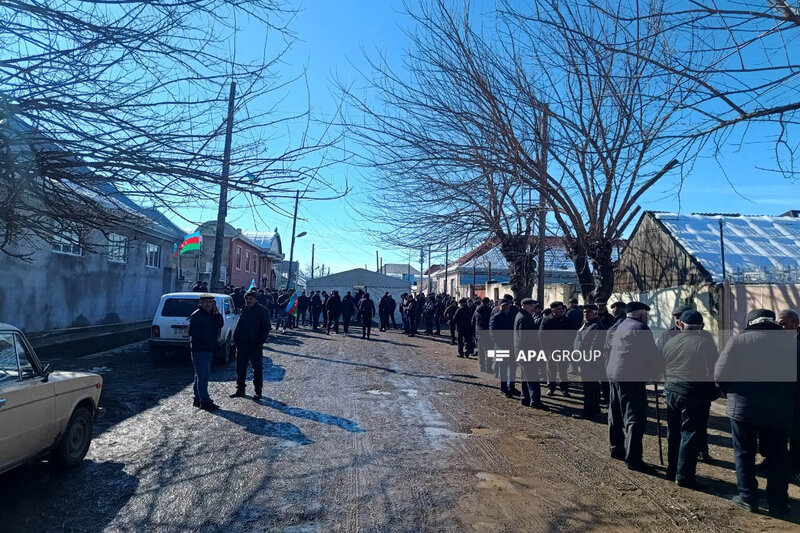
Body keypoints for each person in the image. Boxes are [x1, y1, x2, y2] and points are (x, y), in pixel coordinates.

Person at [715, 308, 795, 516]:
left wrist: (732, 394)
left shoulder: (738, 341)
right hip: (780, 410)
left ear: (750, 323)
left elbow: (720, 375)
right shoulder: (792, 342)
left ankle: (748, 498)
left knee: (744, 453)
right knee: (778, 456)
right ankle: (778, 503)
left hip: (744, 409)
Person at [661, 310, 719, 489]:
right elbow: (713, 372)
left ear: (681, 325)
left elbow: (662, 365)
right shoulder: (705, 343)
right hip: (693, 395)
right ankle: (684, 476)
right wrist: (713, 393)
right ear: (701, 326)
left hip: (671, 392)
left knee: (674, 433)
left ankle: (672, 470)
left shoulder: (671, 341)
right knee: (690, 435)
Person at [606, 301, 663, 473]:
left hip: (613, 374)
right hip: (630, 378)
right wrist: (657, 370)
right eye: (646, 315)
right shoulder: (641, 328)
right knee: (635, 418)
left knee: (615, 413)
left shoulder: (621, 325)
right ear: (642, 315)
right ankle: (634, 459)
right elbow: (651, 354)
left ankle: (616, 448)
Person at [230, 291, 271, 400]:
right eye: (247, 299)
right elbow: (239, 325)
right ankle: (240, 389)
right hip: (242, 344)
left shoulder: (262, 311)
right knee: (240, 368)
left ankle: (258, 391)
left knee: (257, 369)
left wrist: (260, 342)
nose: (248, 301)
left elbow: (266, 328)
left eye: (250, 299)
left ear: (255, 299)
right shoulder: (244, 310)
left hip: (255, 345)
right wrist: (236, 339)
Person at [188, 294, 223, 411]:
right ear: (200, 303)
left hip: (208, 348)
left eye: (210, 302)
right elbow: (193, 332)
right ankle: (205, 401)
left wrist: (217, 314)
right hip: (200, 349)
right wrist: (207, 341)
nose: (208, 304)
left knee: (199, 374)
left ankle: (197, 398)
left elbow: (220, 324)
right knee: (203, 376)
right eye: (206, 302)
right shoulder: (196, 315)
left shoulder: (211, 315)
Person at [573, 303, 606, 419]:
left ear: (595, 313)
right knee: (592, 387)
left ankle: (589, 412)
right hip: (584, 360)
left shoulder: (596, 326)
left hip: (590, 362)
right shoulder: (586, 325)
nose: (586, 314)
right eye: (585, 312)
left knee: (590, 388)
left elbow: (594, 346)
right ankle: (595, 408)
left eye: (589, 312)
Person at [777, 310, 800, 474]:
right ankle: (774, 460)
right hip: (780, 394)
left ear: (795, 323)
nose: (780, 328)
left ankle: (794, 465)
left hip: (796, 394)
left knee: (796, 431)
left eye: (783, 324)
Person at [517, 298, 546, 409]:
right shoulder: (524, 318)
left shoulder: (522, 316)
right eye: (531, 305)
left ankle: (525, 398)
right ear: (524, 305)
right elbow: (525, 338)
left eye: (534, 305)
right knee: (533, 377)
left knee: (525, 377)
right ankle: (535, 400)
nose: (533, 308)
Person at [539, 301, 572, 397]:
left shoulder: (566, 320)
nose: (561, 311)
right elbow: (541, 335)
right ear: (553, 310)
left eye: (561, 309)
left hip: (563, 349)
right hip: (550, 349)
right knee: (551, 370)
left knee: (563, 370)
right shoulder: (546, 320)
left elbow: (571, 335)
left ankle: (564, 389)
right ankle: (551, 388)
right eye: (558, 309)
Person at [490, 299, 518, 397]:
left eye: (508, 307)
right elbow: (493, 333)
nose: (506, 308)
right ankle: (504, 388)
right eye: (504, 307)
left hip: (511, 346)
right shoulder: (496, 317)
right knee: (503, 368)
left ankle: (512, 386)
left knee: (513, 367)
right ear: (499, 307)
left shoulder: (511, 316)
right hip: (501, 346)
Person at [473, 297, 494, 373]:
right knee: (490, 350)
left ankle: (482, 367)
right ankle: (489, 367)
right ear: (488, 302)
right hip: (488, 332)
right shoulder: (490, 310)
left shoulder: (477, 310)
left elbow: (472, 321)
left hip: (479, 332)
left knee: (481, 350)